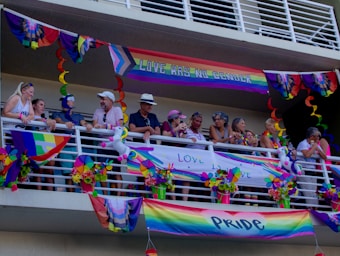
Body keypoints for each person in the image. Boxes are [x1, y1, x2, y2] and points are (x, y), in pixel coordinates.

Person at [52, 94, 93, 192]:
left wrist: (87, 125)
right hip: (64, 147)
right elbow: (58, 121)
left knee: (82, 171)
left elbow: (83, 122)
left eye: (66, 101)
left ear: (72, 102)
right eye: (62, 102)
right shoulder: (57, 114)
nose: (63, 104)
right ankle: (71, 194)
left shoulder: (78, 116)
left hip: (76, 147)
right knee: (68, 173)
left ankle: (85, 193)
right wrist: (64, 124)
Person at [93, 91, 123, 196]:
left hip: (114, 146)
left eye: (103, 99)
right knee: (102, 170)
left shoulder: (117, 110)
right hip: (102, 145)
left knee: (116, 171)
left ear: (111, 100)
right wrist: (109, 126)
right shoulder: (97, 111)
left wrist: (105, 127)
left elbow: (120, 126)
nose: (101, 101)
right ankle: (105, 194)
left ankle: (118, 195)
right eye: (101, 99)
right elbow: (95, 125)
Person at [296, 127, 327, 206]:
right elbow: (307, 155)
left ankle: (315, 209)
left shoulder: (315, 145)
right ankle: (310, 210)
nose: (318, 138)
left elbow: (325, 157)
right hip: (304, 171)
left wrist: (318, 149)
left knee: (314, 194)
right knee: (308, 194)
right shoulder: (303, 143)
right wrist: (314, 148)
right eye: (317, 136)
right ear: (312, 136)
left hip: (312, 172)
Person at [31, 98, 57, 190]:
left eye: (44, 105)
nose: (43, 107)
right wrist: (46, 121)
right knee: (39, 170)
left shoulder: (46, 119)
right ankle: (39, 192)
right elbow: (35, 121)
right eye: (41, 104)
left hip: (48, 145)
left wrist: (51, 121)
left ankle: (50, 195)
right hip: (37, 145)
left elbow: (53, 128)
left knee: (49, 172)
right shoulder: (31, 116)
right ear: (34, 106)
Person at [183, 112, 207, 201]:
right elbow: (181, 139)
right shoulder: (187, 130)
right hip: (189, 160)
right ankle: (184, 200)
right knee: (187, 179)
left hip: (200, 162)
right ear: (192, 120)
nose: (198, 123)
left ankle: (198, 199)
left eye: (200, 121)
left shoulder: (201, 135)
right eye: (196, 121)